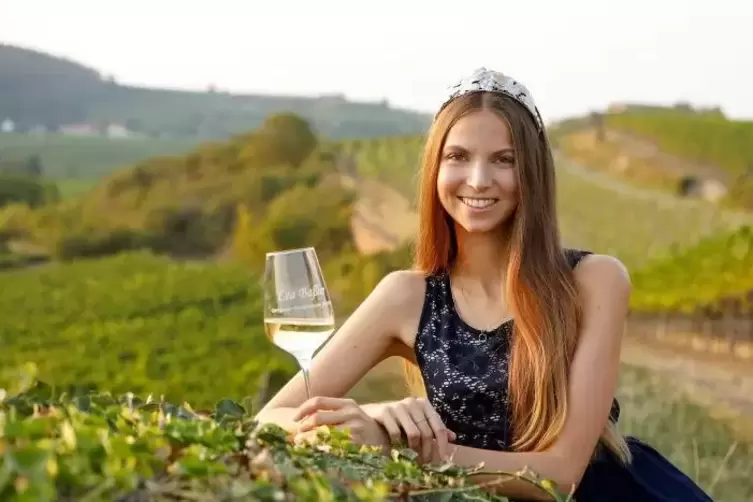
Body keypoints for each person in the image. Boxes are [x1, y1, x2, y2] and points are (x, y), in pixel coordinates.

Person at [255, 67, 714, 501]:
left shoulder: (594, 281)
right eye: (458, 157)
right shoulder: (405, 297)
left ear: (532, 173)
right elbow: (268, 420)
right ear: (436, 167)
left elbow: (561, 476)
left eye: (503, 160)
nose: (478, 179)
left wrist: (401, 448)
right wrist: (379, 417)